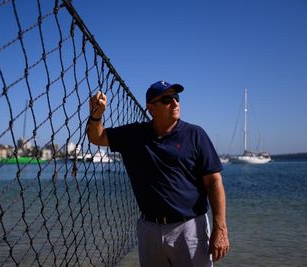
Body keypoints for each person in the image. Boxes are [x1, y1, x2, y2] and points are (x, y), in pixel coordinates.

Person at [87, 81, 229, 266]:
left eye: (176, 98)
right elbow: (97, 137)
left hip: (189, 228)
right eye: (167, 99)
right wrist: (96, 116)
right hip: (149, 230)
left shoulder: (195, 135)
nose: (175, 103)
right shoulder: (134, 134)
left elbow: (214, 182)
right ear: (151, 108)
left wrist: (220, 228)